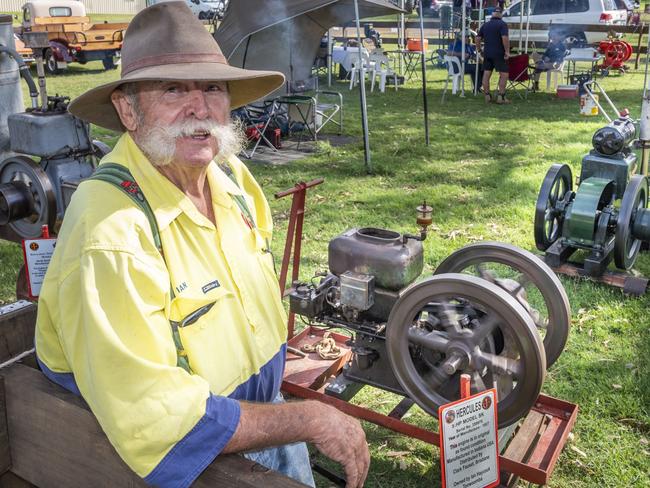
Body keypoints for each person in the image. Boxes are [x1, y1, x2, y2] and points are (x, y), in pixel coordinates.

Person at [34, 3, 370, 488]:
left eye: (212, 87)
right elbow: (154, 413)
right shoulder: (110, 230)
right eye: (173, 88)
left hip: (264, 420)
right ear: (127, 110)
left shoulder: (230, 175)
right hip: (195, 459)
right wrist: (309, 419)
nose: (200, 108)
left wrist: (286, 416)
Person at [477, 6, 510, 104]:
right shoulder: (502, 24)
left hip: (487, 53)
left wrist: (479, 49)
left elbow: (477, 38)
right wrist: (507, 51)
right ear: (500, 14)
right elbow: (505, 38)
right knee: (504, 75)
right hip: (499, 53)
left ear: (492, 15)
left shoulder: (485, 25)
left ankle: (487, 96)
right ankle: (501, 97)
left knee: (486, 74)